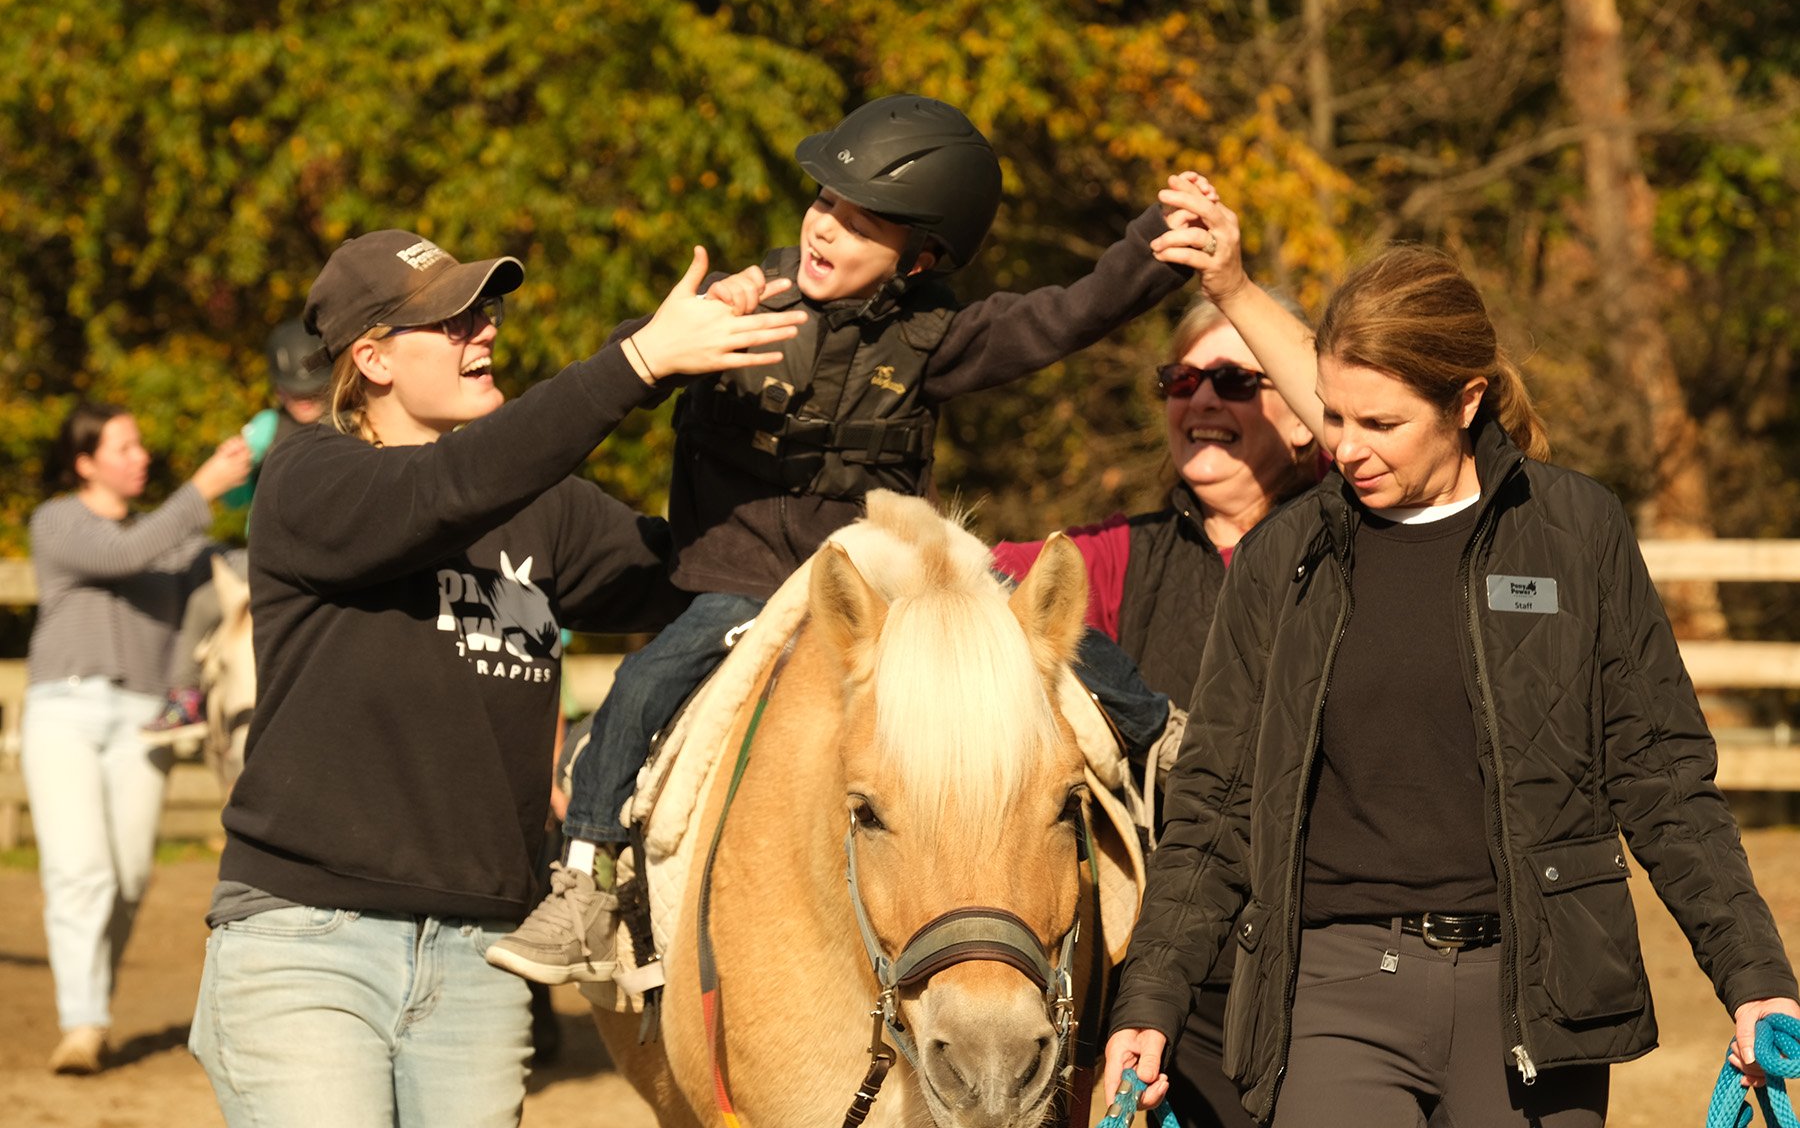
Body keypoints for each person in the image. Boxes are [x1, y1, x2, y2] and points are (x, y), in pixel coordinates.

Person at [1103, 195, 1800, 1128]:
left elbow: (1661, 777)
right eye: (1334, 416)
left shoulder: (1574, 532)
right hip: (1333, 993)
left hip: (1537, 993)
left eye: (1381, 424)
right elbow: (1218, 802)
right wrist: (1150, 1000)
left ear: (1466, 401)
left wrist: (1755, 976)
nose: (1345, 449)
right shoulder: (1286, 557)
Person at [484, 93, 1208, 985]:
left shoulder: (938, 338)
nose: (827, 228)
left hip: (886, 573)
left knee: (1030, 639)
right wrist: (682, 332)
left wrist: (1155, 243)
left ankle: (1164, 740)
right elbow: (628, 358)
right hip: (741, 579)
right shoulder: (742, 307)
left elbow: (1067, 314)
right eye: (826, 202)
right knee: (639, 686)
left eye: (863, 223)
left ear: (921, 258)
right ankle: (585, 884)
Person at [186, 229, 806, 1127]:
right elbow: (443, 492)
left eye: (487, 311)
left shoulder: (542, 511)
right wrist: (636, 360)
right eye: (452, 320)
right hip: (305, 946)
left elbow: (707, 577)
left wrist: (739, 410)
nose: (486, 331)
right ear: (373, 358)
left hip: (481, 955)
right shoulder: (309, 478)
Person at [991, 289, 1320, 1127]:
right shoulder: (1118, 558)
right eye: (1180, 380)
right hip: (1173, 974)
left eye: (1237, 380)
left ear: (1305, 409)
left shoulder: (1357, 542)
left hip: (1333, 955)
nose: (1202, 398)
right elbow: (975, 571)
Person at [23, 403, 250, 1074]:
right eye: (123, 447)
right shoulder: (57, 522)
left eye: (139, 445)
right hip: (63, 711)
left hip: (143, 720)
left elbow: (232, 567)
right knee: (80, 872)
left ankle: (92, 1003)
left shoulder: (174, 544)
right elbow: (122, 554)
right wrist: (204, 487)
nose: (140, 456)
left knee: (126, 878)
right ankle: (82, 1024)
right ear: (85, 462)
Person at [143, 317, 331, 742]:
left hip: (328, 551)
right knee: (205, 602)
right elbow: (233, 498)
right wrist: (236, 466)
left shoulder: (349, 422)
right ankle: (186, 697)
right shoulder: (266, 427)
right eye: (291, 390)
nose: (301, 399)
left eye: (311, 389)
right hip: (269, 553)